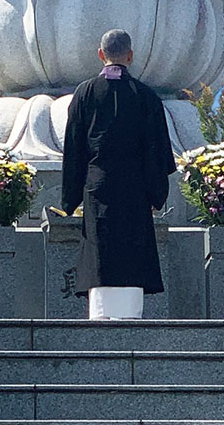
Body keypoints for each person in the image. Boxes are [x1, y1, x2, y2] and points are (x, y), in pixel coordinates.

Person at [61, 27, 176, 319]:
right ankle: (131, 316)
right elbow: (157, 150)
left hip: (97, 186)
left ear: (100, 55)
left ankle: (99, 315)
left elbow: (74, 149)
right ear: (131, 56)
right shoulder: (146, 96)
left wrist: (70, 198)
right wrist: (155, 193)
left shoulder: (85, 92)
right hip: (135, 189)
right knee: (132, 253)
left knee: (101, 251)